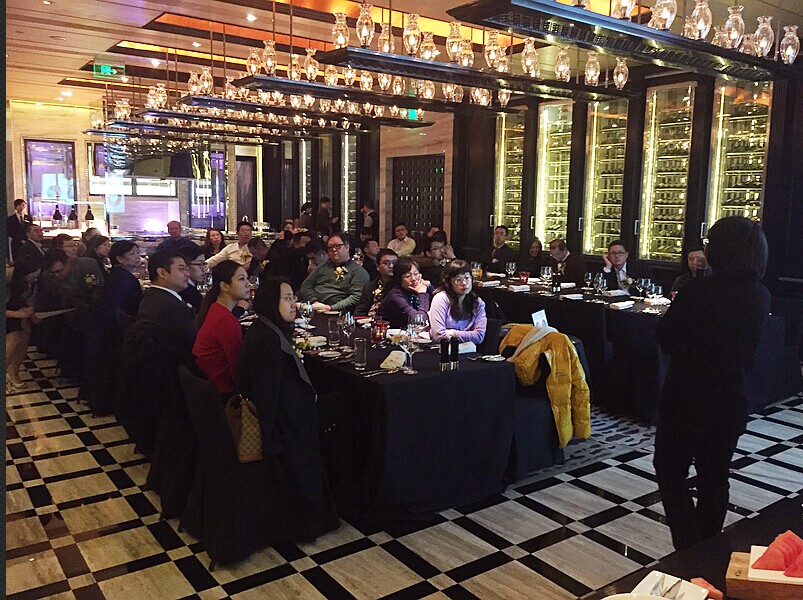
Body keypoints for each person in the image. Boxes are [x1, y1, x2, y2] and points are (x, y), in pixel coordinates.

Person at [655, 216, 771, 551]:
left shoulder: (697, 290)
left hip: (686, 397)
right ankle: (706, 549)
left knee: (669, 470)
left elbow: (666, 337)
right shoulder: (760, 294)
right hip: (731, 398)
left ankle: (688, 546)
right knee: (715, 476)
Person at [236, 277, 340, 542]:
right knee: (344, 408)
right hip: (286, 425)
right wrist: (273, 439)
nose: (294, 303)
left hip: (289, 412)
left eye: (294, 297)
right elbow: (268, 395)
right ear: (271, 302)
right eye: (287, 298)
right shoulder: (267, 340)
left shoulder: (266, 329)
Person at [192, 261, 250, 395]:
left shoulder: (214, 308)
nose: (248, 284)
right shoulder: (226, 320)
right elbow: (238, 368)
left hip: (210, 387)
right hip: (223, 392)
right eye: (242, 279)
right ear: (224, 286)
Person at [135, 250, 196, 366]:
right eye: (181, 269)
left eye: (186, 269)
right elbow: (192, 346)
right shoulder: (172, 308)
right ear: (162, 273)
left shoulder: (152, 296)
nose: (187, 274)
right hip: (171, 370)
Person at [299, 233, 369, 313]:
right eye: (330, 247)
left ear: (347, 247)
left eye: (337, 246)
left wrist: (330, 308)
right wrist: (314, 301)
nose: (334, 249)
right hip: (315, 308)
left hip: (337, 312)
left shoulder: (358, 272)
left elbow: (356, 297)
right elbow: (306, 285)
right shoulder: (322, 266)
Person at [429, 260, 487, 344]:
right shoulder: (441, 299)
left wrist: (452, 333)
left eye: (467, 278)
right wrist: (468, 335)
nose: (464, 283)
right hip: (442, 348)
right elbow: (438, 336)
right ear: (449, 283)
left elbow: (479, 336)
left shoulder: (477, 302)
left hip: (467, 349)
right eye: (458, 280)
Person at [6, 258, 41, 391]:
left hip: (17, 311)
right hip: (10, 312)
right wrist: (17, 314)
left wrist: (29, 312)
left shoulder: (30, 282)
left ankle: (13, 372)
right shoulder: (7, 280)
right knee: (14, 338)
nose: (34, 278)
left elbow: (27, 301)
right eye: (32, 275)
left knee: (25, 336)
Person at [378, 256, 432, 329]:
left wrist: (430, 287)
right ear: (400, 279)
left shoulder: (420, 287)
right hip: (390, 332)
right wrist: (422, 294)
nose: (413, 279)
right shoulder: (395, 296)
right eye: (408, 276)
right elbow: (419, 321)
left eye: (416, 274)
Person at [354, 249, 397, 317]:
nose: (391, 266)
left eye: (394, 263)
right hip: (368, 320)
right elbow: (360, 310)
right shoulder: (370, 286)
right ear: (377, 266)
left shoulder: (402, 286)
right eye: (386, 263)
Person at [178, 245, 208, 313]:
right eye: (199, 264)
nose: (204, 269)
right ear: (185, 266)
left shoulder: (191, 288)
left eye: (204, 264)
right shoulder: (186, 291)